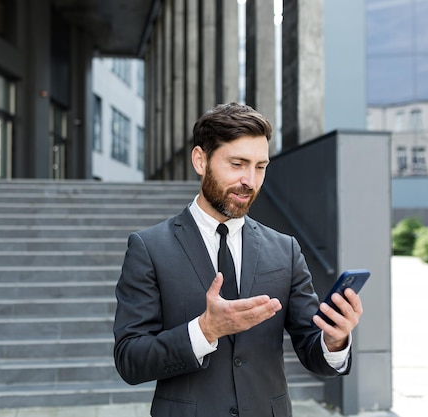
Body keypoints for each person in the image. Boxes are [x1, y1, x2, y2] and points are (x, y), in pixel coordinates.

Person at [113, 102, 363, 417]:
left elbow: (313, 350)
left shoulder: (285, 249)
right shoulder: (149, 248)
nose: (250, 180)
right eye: (238, 163)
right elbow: (130, 360)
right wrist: (205, 330)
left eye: (260, 166)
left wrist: (334, 339)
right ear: (200, 160)